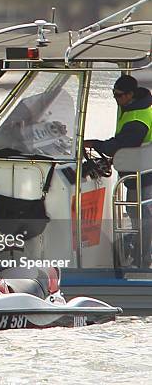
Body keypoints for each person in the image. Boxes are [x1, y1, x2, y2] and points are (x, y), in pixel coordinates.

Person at [84, 75, 151, 266]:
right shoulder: (131, 107)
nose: (116, 99)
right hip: (136, 171)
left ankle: (142, 259)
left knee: (141, 216)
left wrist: (95, 144)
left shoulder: (138, 118)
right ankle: (138, 251)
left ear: (130, 94)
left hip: (142, 175)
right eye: (113, 94)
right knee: (136, 213)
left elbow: (122, 143)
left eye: (119, 96)